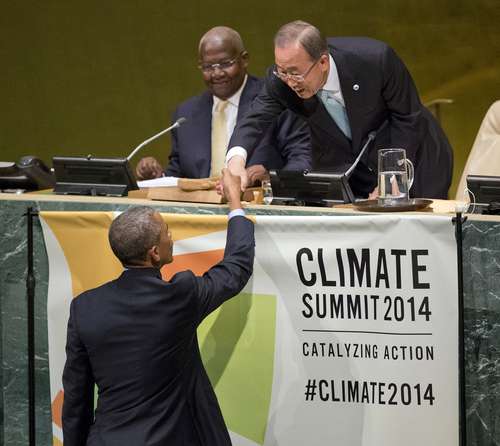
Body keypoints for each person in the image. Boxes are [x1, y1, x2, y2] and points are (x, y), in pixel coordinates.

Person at [62, 169, 254, 446]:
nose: (171, 236)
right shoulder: (180, 296)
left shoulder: (84, 308)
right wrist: (235, 202)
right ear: (154, 253)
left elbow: (76, 400)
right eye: (166, 232)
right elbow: (236, 269)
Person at [226, 20, 453, 199]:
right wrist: (236, 161)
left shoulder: (375, 60)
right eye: (282, 71)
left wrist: (393, 176)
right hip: (356, 171)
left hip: (417, 159)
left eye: (295, 73)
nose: (289, 81)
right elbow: (254, 119)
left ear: (323, 62)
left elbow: (408, 117)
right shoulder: (282, 81)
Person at [136, 26, 311, 186]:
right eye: (208, 67)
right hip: (201, 207)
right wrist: (158, 177)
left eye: (226, 64)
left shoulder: (276, 99)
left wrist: (270, 178)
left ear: (244, 59)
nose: (217, 73)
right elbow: (180, 174)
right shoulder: (185, 114)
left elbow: (302, 160)